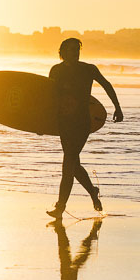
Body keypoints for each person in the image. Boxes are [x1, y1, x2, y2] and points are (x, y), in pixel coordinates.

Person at [46, 37, 123, 219]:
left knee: (68, 164)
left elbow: (107, 85)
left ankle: (60, 208)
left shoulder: (88, 69)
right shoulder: (56, 71)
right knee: (74, 165)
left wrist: (117, 107)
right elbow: (50, 99)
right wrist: (42, 123)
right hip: (64, 123)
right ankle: (93, 192)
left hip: (82, 123)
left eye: (77, 49)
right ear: (62, 53)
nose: (75, 52)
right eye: (71, 49)